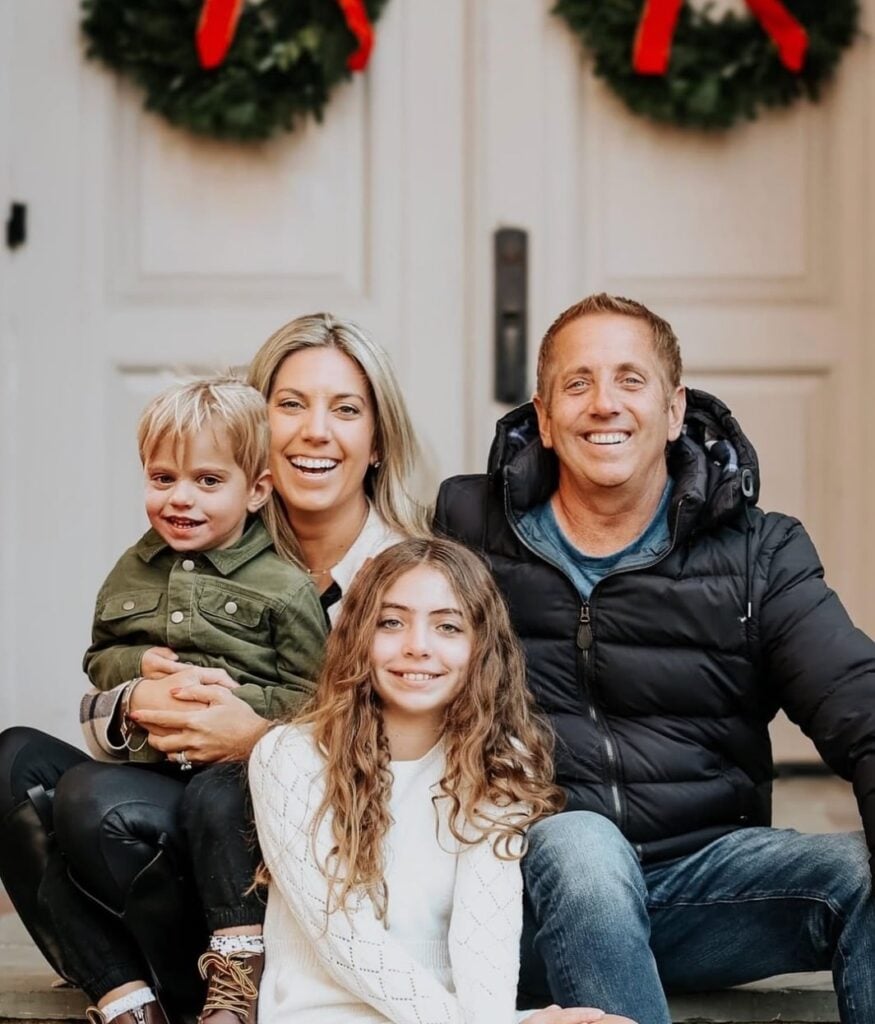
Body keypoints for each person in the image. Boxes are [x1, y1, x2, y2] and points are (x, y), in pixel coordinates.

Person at [434, 293, 875, 1024]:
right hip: (527, 902)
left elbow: (860, 707)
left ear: (674, 411)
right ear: (543, 418)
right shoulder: (469, 536)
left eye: (629, 381)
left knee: (861, 871)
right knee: (579, 840)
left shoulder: (757, 552)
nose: (603, 404)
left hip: (704, 888)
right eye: (577, 384)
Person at [0, 314, 426, 1024]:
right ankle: (123, 990)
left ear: (377, 440)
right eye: (290, 404)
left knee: (127, 805)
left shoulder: (415, 577)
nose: (315, 430)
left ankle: (230, 983)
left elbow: (419, 763)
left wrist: (257, 738)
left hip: (305, 852)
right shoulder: (188, 539)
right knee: (23, 766)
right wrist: (138, 697)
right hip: (176, 789)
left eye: (345, 409)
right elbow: (104, 680)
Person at [249, 536, 635, 1024]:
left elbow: (484, 936)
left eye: (448, 627)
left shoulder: (500, 763)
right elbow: (344, 940)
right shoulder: (290, 757)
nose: (417, 647)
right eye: (391, 622)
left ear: (480, 647)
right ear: (358, 635)